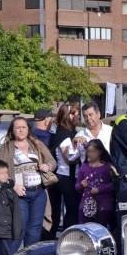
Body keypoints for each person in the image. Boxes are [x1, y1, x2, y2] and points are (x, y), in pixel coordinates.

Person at [0, 116, 55, 248]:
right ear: (12, 131)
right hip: (19, 194)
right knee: (19, 228)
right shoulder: (6, 148)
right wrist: (13, 185)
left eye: (24, 127)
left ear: (28, 129)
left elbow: (52, 161)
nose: (21, 130)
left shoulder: (37, 144)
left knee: (35, 228)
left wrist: (47, 166)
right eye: (18, 128)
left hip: (38, 193)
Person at [48, 102, 81, 237]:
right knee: (71, 211)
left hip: (64, 177)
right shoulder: (64, 134)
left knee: (62, 212)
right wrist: (85, 157)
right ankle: (67, 239)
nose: (80, 117)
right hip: (65, 177)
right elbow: (69, 159)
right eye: (78, 114)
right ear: (70, 116)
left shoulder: (67, 132)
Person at [76, 140, 116, 227]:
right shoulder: (84, 166)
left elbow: (114, 185)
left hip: (104, 205)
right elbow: (77, 186)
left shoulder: (108, 166)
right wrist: (81, 185)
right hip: (86, 205)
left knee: (99, 228)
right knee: (84, 229)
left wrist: (99, 189)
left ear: (100, 152)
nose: (90, 154)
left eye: (93, 151)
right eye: (88, 151)